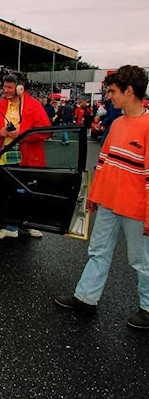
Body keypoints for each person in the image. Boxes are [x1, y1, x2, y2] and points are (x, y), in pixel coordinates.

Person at [55, 65, 149, 330]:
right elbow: (103, 163)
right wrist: (94, 195)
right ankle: (86, 299)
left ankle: (148, 308)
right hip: (108, 204)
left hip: (136, 210)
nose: (109, 96)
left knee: (142, 261)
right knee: (98, 252)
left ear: (129, 91)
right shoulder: (117, 123)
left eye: (112, 91)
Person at [0, 73, 50, 239]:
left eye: (9, 87)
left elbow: (46, 130)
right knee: (9, 190)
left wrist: (22, 134)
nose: (5, 90)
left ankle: (29, 224)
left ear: (20, 88)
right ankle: (11, 226)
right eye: (4, 87)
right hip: (5, 154)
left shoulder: (34, 105)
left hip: (28, 155)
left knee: (27, 190)